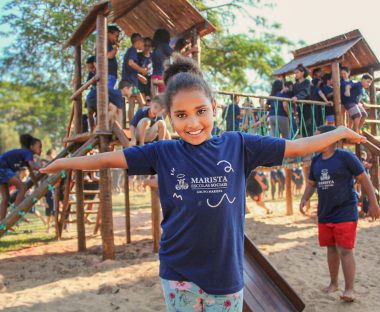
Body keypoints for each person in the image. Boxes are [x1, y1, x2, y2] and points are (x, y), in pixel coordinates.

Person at [41, 54, 366, 312]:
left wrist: (338, 132)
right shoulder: (163, 151)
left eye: (200, 111)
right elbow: (107, 159)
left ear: (215, 107)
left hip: (224, 275)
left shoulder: (239, 145)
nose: (193, 123)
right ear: (169, 116)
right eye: (181, 115)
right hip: (178, 273)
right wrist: (63, 163)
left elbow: (295, 147)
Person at [300, 125, 380, 302]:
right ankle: (334, 283)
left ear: (330, 139)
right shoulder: (316, 161)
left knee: (345, 250)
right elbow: (312, 183)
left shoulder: (346, 157)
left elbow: (364, 179)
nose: (314, 140)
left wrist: (374, 203)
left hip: (346, 211)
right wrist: (304, 198)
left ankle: (349, 289)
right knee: (331, 248)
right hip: (325, 212)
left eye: (318, 137)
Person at [0, 134, 42, 220]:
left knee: (6, 198)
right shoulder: (27, 152)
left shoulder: (26, 155)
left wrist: (37, 186)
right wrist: (46, 168)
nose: (41, 149)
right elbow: (33, 166)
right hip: (2, 167)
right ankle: (16, 211)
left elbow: (32, 174)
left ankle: (1, 221)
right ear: (31, 146)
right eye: (39, 146)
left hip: (2, 168)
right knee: (22, 186)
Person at [85, 55, 123, 132]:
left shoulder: (102, 71)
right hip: (94, 97)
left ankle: (96, 129)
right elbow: (86, 85)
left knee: (109, 109)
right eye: (89, 68)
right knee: (91, 113)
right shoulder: (92, 74)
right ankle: (94, 129)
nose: (91, 70)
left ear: (95, 64)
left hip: (97, 96)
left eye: (92, 67)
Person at [120, 33, 148, 123]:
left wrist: (139, 77)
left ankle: (132, 126)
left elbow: (130, 70)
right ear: (138, 41)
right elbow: (131, 63)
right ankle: (137, 123)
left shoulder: (130, 51)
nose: (143, 45)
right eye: (143, 43)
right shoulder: (133, 50)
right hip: (130, 84)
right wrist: (142, 70)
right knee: (142, 103)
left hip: (129, 83)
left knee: (131, 104)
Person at [292, 64, 312, 136]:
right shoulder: (295, 85)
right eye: (295, 73)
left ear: (302, 73)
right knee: (302, 127)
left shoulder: (307, 82)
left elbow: (306, 92)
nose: (295, 74)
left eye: (297, 72)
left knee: (309, 127)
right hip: (299, 109)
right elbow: (292, 94)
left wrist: (297, 97)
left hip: (308, 108)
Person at [151, 28, 172, 95]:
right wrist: (190, 50)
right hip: (161, 77)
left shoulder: (155, 49)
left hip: (154, 77)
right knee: (165, 101)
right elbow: (176, 54)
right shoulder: (164, 46)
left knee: (158, 101)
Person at [138, 37, 154, 102]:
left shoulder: (154, 56)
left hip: (151, 84)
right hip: (139, 82)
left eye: (149, 46)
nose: (147, 48)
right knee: (143, 104)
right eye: (145, 45)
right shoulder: (138, 56)